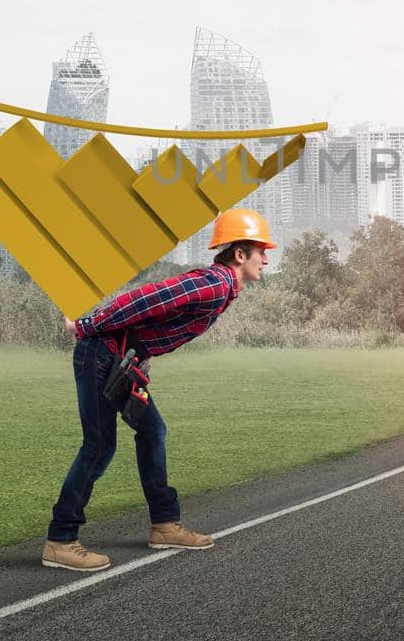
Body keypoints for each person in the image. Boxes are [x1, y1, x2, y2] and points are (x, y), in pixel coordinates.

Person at [41, 208, 275, 572]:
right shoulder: (214, 284)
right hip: (101, 353)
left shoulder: (223, 290)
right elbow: (146, 300)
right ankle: (61, 540)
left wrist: (140, 357)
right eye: (261, 249)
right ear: (240, 255)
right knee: (99, 446)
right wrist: (87, 325)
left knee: (153, 431)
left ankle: (164, 525)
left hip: (120, 359)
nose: (267, 256)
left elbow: (158, 322)